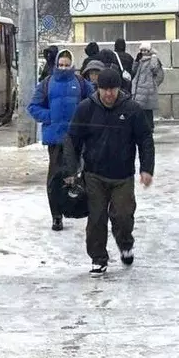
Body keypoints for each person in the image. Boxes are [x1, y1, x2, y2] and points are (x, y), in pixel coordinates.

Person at [64, 67, 155, 275]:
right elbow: (72, 139)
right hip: (94, 174)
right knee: (96, 218)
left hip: (123, 175)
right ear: (98, 89)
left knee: (123, 216)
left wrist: (147, 169)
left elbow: (145, 140)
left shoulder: (132, 109)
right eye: (104, 89)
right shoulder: (86, 108)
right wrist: (71, 170)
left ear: (118, 89)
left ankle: (125, 244)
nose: (108, 94)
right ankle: (98, 258)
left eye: (112, 89)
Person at [27, 48, 94, 231]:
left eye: (67, 64)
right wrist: (50, 117)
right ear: (56, 64)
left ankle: (78, 207)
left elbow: (93, 102)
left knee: (78, 174)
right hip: (56, 138)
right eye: (61, 64)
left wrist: (84, 120)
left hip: (76, 137)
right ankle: (56, 215)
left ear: (72, 64)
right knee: (55, 177)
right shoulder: (47, 83)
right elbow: (33, 106)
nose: (64, 68)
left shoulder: (80, 82)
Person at [130, 42, 165, 131]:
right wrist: (136, 61)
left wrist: (153, 84)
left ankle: (149, 127)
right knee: (140, 109)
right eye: (142, 50)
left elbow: (156, 70)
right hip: (138, 88)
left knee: (147, 110)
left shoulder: (152, 60)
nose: (143, 52)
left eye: (145, 50)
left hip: (147, 89)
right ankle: (143, 127)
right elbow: (133, 71)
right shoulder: (140, 60)